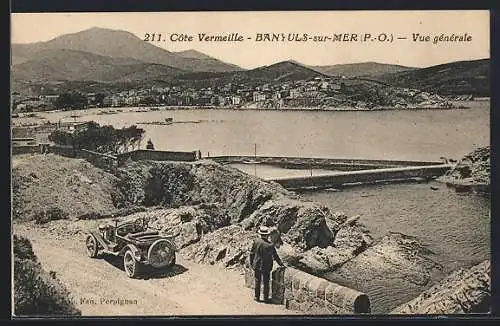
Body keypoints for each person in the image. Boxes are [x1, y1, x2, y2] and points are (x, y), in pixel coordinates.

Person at [249, 225, 285, 303]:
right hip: (266, 266)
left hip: (257, 264)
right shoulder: (270, 245)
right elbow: (275, 256)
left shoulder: (256, 241)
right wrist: (281, 264)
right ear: (267, 235)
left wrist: (252, 263)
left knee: (257, 280)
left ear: (260, 234)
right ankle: (266, 298)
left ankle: (256, 297)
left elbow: (252, 253)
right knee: (266, 282)